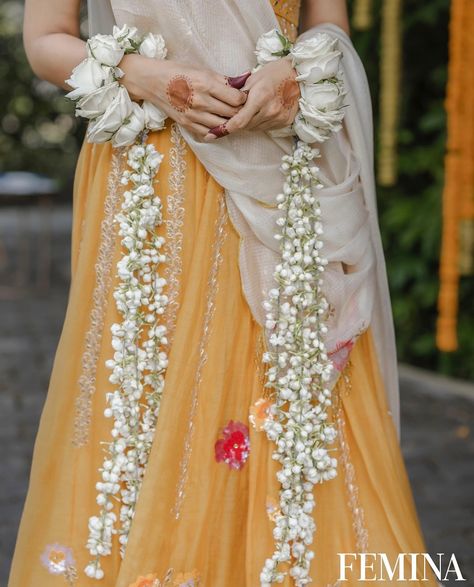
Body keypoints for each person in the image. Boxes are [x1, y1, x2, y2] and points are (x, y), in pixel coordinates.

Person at [9, 1, 441, 586]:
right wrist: (142, 75)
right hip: (152, 183)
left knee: (299, 401)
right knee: (144, 411)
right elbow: (45, 40)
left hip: (280, 170)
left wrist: (296, 74)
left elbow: (327, 23)